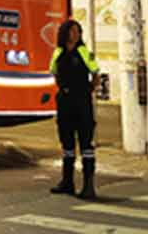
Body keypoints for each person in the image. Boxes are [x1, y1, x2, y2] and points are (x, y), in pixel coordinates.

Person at [51, 17, 100, 201]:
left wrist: (88, 89)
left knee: (86, 144)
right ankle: (67, 181)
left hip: (82, 102)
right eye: (72, 31)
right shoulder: (58, 53)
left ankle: (88, 185)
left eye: (78, 31)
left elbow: (96, 74)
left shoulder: (84, 52)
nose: (75, 34)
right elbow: (54, 72)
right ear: (64, 33)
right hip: (65, 102)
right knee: (67, 144)